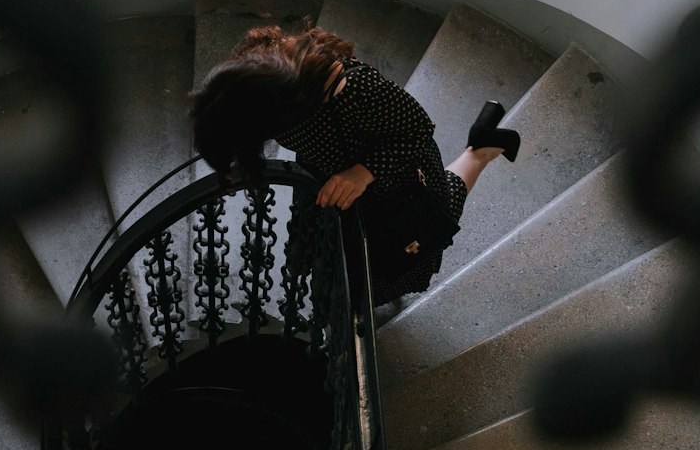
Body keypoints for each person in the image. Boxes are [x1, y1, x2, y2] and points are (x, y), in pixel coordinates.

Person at [188, 22, 520, 305]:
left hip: (392, 181)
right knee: (332, 262)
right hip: (329, 174)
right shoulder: (258, 81)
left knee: (433, 217)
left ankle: (481, 147)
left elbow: (419, 130)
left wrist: (361, 174)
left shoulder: (354, 91)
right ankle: (483, 139)